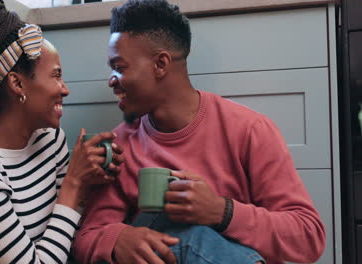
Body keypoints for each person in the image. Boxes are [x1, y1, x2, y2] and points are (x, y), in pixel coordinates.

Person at [73, 0, 326, 263]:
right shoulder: (122, 144)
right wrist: (119, 239)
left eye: (120, 67)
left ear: (160, 64)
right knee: (180, 232)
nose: (111, 80)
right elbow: (87, 236)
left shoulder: (249, 130)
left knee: (194, 234)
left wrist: (222, 212)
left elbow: (308, 237)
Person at [0, 0, 123, 263]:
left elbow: (72, 228)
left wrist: (92, 178)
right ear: (17, 83)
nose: (65, 89)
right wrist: (73, 184)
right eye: (56, 76)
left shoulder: (49, 140)